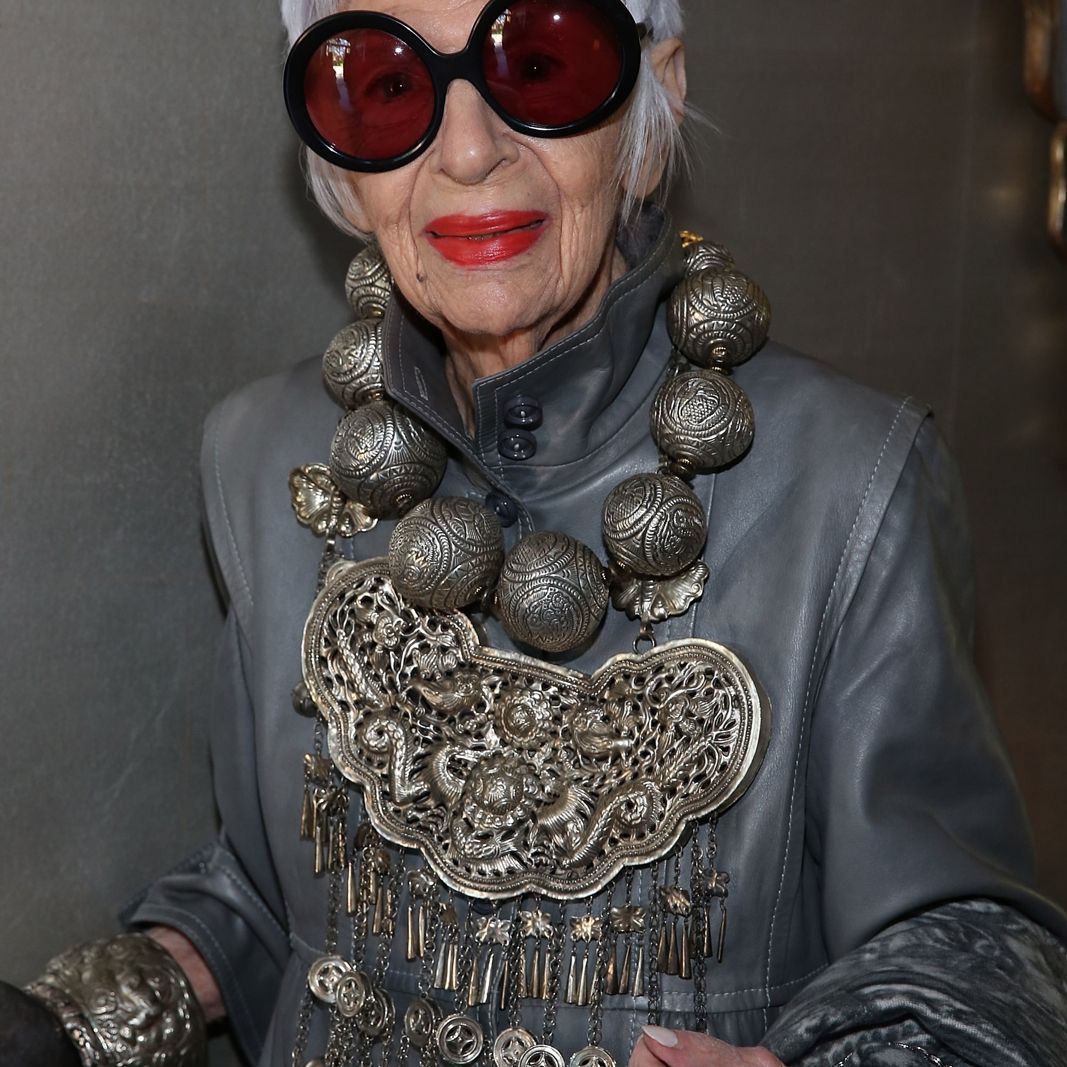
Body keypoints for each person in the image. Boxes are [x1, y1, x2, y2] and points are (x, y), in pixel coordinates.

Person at [4, 1, 1067, 1065]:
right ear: (339, 158)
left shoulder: (854, 482)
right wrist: (74, 1020)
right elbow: (273, 885)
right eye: (388, 86)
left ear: (652, 106)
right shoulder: (259, 454)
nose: (468, 151)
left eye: (542, 65)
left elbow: (969, 946)